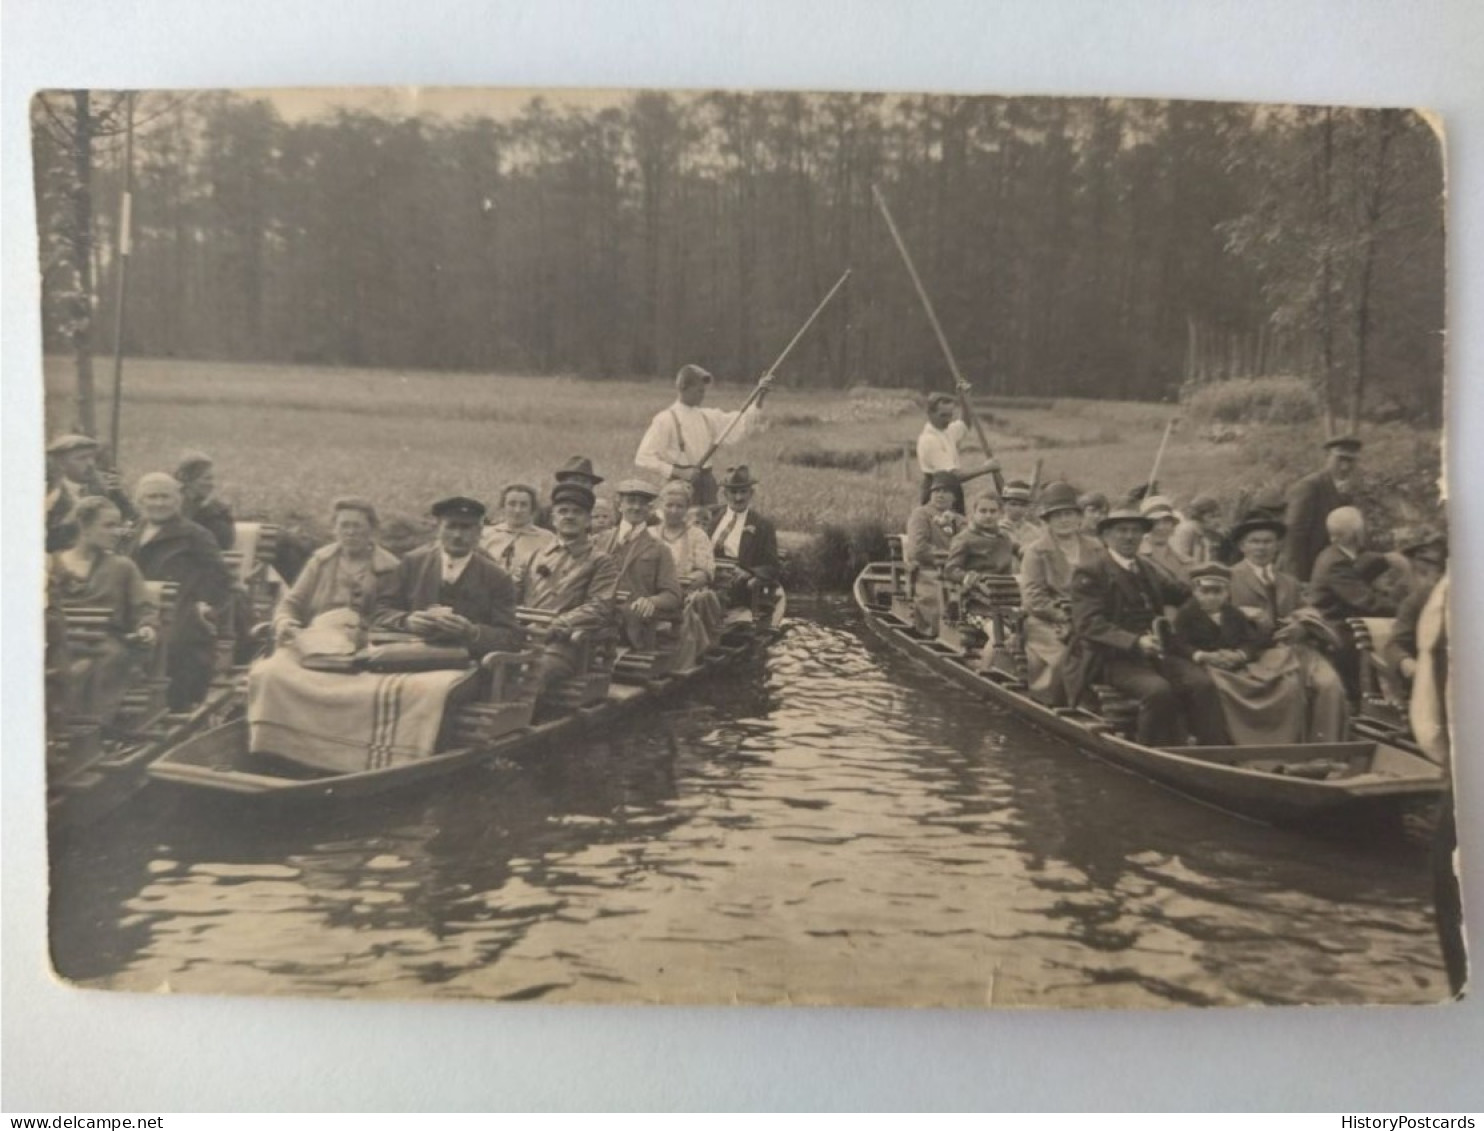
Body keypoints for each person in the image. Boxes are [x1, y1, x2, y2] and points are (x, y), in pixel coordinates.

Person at [1064, 506, 1231, 746]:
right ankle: (1152, 751)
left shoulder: (1147, 568)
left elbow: (1180, 594)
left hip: (1155, 653)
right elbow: (1089, 624)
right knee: (1158, 691)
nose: (1129, 537)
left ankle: (1215, 750)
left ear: (1144, 537)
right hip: (1109, 658)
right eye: (1122, 531)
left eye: (1136, 531)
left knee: (1202, 684)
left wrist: (1215, 599)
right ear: (1106, 536)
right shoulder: (1091, 572)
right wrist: (1135, 642)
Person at [1226, 510, 1350, 743]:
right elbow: (1216, 617)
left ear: (1277, 547)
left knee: (1330, 684)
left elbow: (1308, 611)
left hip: (1296, 650)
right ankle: (1285, 754)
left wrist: (1301, 627)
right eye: (1255, 541)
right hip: (1256, 656)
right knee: (1289, 689)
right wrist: (1245, 618)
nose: (1261, 548)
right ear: (1243, 546)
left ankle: (1326, 753)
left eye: (1268, 542)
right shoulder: (1230, 578)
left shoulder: (1288, 581)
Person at [1169, 563, 1320, 745]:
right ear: (1195, 592)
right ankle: (1225, 742)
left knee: (1281, 685)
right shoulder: (1186, 615)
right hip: (1206, 666)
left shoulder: (1234, 614)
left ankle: (1268, 739)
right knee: (1219, 690)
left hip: (1235, 665)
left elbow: (1251, 640)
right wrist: (1203, 655)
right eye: (1205, 592)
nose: (1211, 598)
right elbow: (1179, 644)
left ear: (1227, 593)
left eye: (1218, 592)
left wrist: (1240, 654)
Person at [120, 472, 234, 711]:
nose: (159, 503)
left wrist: (205, 603)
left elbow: (221, 577)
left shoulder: (195, 535)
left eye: (165, 497)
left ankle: (176, 705)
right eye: (152, 497)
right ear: (140, 501)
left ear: (178, 500)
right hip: (136, 604)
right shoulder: (131, 533)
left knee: (177, 642)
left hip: (179, 603)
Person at [49, 497, 159, 730]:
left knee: (106, 660)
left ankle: (90, 729)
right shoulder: (51, 564)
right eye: (108, 525)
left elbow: (143, 607)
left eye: (118, 525)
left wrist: (146, 626)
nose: (117, 532)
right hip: (60, 640)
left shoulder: (122, 567)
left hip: (105, 643)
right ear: (84, 527)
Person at [372, 496, 523, 657]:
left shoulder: (497, 578)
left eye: (466, 528)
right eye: (451, 527)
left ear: (479, 532)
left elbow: (511, 638)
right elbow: (379, 611)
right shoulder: (412, 563)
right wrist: (406, 621)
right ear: (438, 529)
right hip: (412, 656)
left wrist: (472, 631)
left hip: (468, 663)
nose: (457, 535)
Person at [522, 478, 621, 694]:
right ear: (553, 518)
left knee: (530, 673)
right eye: (563, 511)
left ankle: (524, 722)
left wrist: (557, 625)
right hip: (523, 636)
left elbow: (599, 607)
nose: (569, 516)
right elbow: (511, 595)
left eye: (577, 512)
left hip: (566, 645)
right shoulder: (536, 556)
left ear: (588, 521)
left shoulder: (600, 561)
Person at [635, 365, 773, 507]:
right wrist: (678, 472)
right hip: (678, 488)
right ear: (683, 387)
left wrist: (759, 396)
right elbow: (643, 457)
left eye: (704, 391)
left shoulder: (707, 416)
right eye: (699, 391)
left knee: (708, 523)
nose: (703, 394)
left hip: (707, 485)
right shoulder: (665, 419)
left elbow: (741, 422)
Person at [1019, 482, 1105, 705]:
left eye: (1069, 514)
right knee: (1065, 658)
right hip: (1048, 621)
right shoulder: (1036, 552)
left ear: (1079, 518)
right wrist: (1063, 616)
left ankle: (1102, 703)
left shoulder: (1096, 548)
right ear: (1047, 520)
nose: (1064, 520)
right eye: (1057, 516)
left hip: (1092, 618)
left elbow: (1108, 586)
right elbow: (1034, 599)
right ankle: (1053, 701)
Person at [274, 497, 401, 646]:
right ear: (334, 529)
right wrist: (284, 621)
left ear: (372, 529)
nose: (350, 532)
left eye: (357, 526)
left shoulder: (390, 567)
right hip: (317, 640)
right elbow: (291, 603)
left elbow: (395, 615)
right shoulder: (320, 562)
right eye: (344, 526)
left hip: (368, 645)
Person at [596, 479, 683, 650]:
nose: (636, 507)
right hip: (597, 618)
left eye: (642, 503)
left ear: (649, 509)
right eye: (631, 501)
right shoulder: (600, 541)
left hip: (633, 629)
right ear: (619, 505)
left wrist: (651, 601)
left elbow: (673, 594)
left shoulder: (659, 549)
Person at [655, 479, 724, 666]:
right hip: (654, 592)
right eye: (669, 505)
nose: (674, 511)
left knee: (695, 602)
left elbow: (705, 572)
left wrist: (678, 585)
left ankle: (684, 655)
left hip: (687, 591)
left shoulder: (697, 535)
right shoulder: (650, 533)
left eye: (680, 506)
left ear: (687, 508)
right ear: (660, 506)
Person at [1280, 435, 1361, 582]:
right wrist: (1297, 581)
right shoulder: (1310, 486)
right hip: (1307, 572)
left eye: (1351, 461)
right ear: (1327, 457)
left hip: (1331, 572)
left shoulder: (1347, 489)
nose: (1345, 467)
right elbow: (1293, 536)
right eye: (1340, 459)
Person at [45, 433, 136, 552]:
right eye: (81, 458)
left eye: (91, 457)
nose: (90, 464)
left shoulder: (107, 488)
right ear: (61, 464)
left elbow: (133, 519)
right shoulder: (49, 496)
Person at [707, 465, 780, 612]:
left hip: (738, 585)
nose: (738, 498)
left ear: (751, 493)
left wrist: (750, 573)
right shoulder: (711, 516)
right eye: (733, 492)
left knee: (714, 598)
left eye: (743, 492)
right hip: (708, 575)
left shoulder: (762, 525)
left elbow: (772, 566)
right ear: (725, 494)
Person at [914, 392, 1000, 514]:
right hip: (937, 490)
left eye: (950, 415)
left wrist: (964, 400)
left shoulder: (947, 430)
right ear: (930, 413)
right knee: (938, 527)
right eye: (943, 415)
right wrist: (986, 468)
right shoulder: (929, 440)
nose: (948, 420)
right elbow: (954, 475)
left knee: (957, 526)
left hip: (952, 489)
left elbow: (965, 423)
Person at [1384, 535, 1447, 690]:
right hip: (1432, 679)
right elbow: (1395, 645)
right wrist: (1406, 662)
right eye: (1424, 573)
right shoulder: (1415, 602)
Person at [481, 483, 559, 584]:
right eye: (512, 504)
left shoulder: (548, 539)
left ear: (532, 509)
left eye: (523, 505)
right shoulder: (485, 535)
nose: (517, 510)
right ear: (503, 507)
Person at [174, 451, 235, 551]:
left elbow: (223, 544)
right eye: (207, 479)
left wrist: (207, 509)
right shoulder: (171, 507)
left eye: (212, 479)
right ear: (189, 480)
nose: (212, 484)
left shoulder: (218, 512)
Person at [1138, 495, 1191, 583]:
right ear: (1145, 527)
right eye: (1155, 522)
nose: (1161, 527)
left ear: (1173, 526)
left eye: (1166, 522)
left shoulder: (1184, 561)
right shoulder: (1136, 556)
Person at [1170, 495, 1222, 565]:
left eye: (1218, 516)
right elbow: (1180, 558)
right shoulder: (1187, 530)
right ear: (1199, 516)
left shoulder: (1206, 533)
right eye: (1211, 516)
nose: (1217, 521)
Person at [999, 480, 1041, 547]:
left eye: (1022, 505)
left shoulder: (1035, 532)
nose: (1017, 509)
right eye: (1013, 504)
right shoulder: (996, 529)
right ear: (1004, 505)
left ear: (1028, 507)